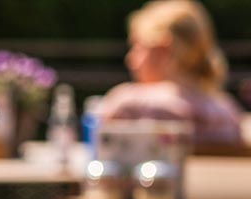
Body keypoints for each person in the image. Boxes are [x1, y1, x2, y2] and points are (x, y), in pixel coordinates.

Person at [98, 0, 243, 147]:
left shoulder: (131, 105)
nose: (130, 59)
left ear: (162, 49)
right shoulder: (228, 112)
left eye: (138, 47)